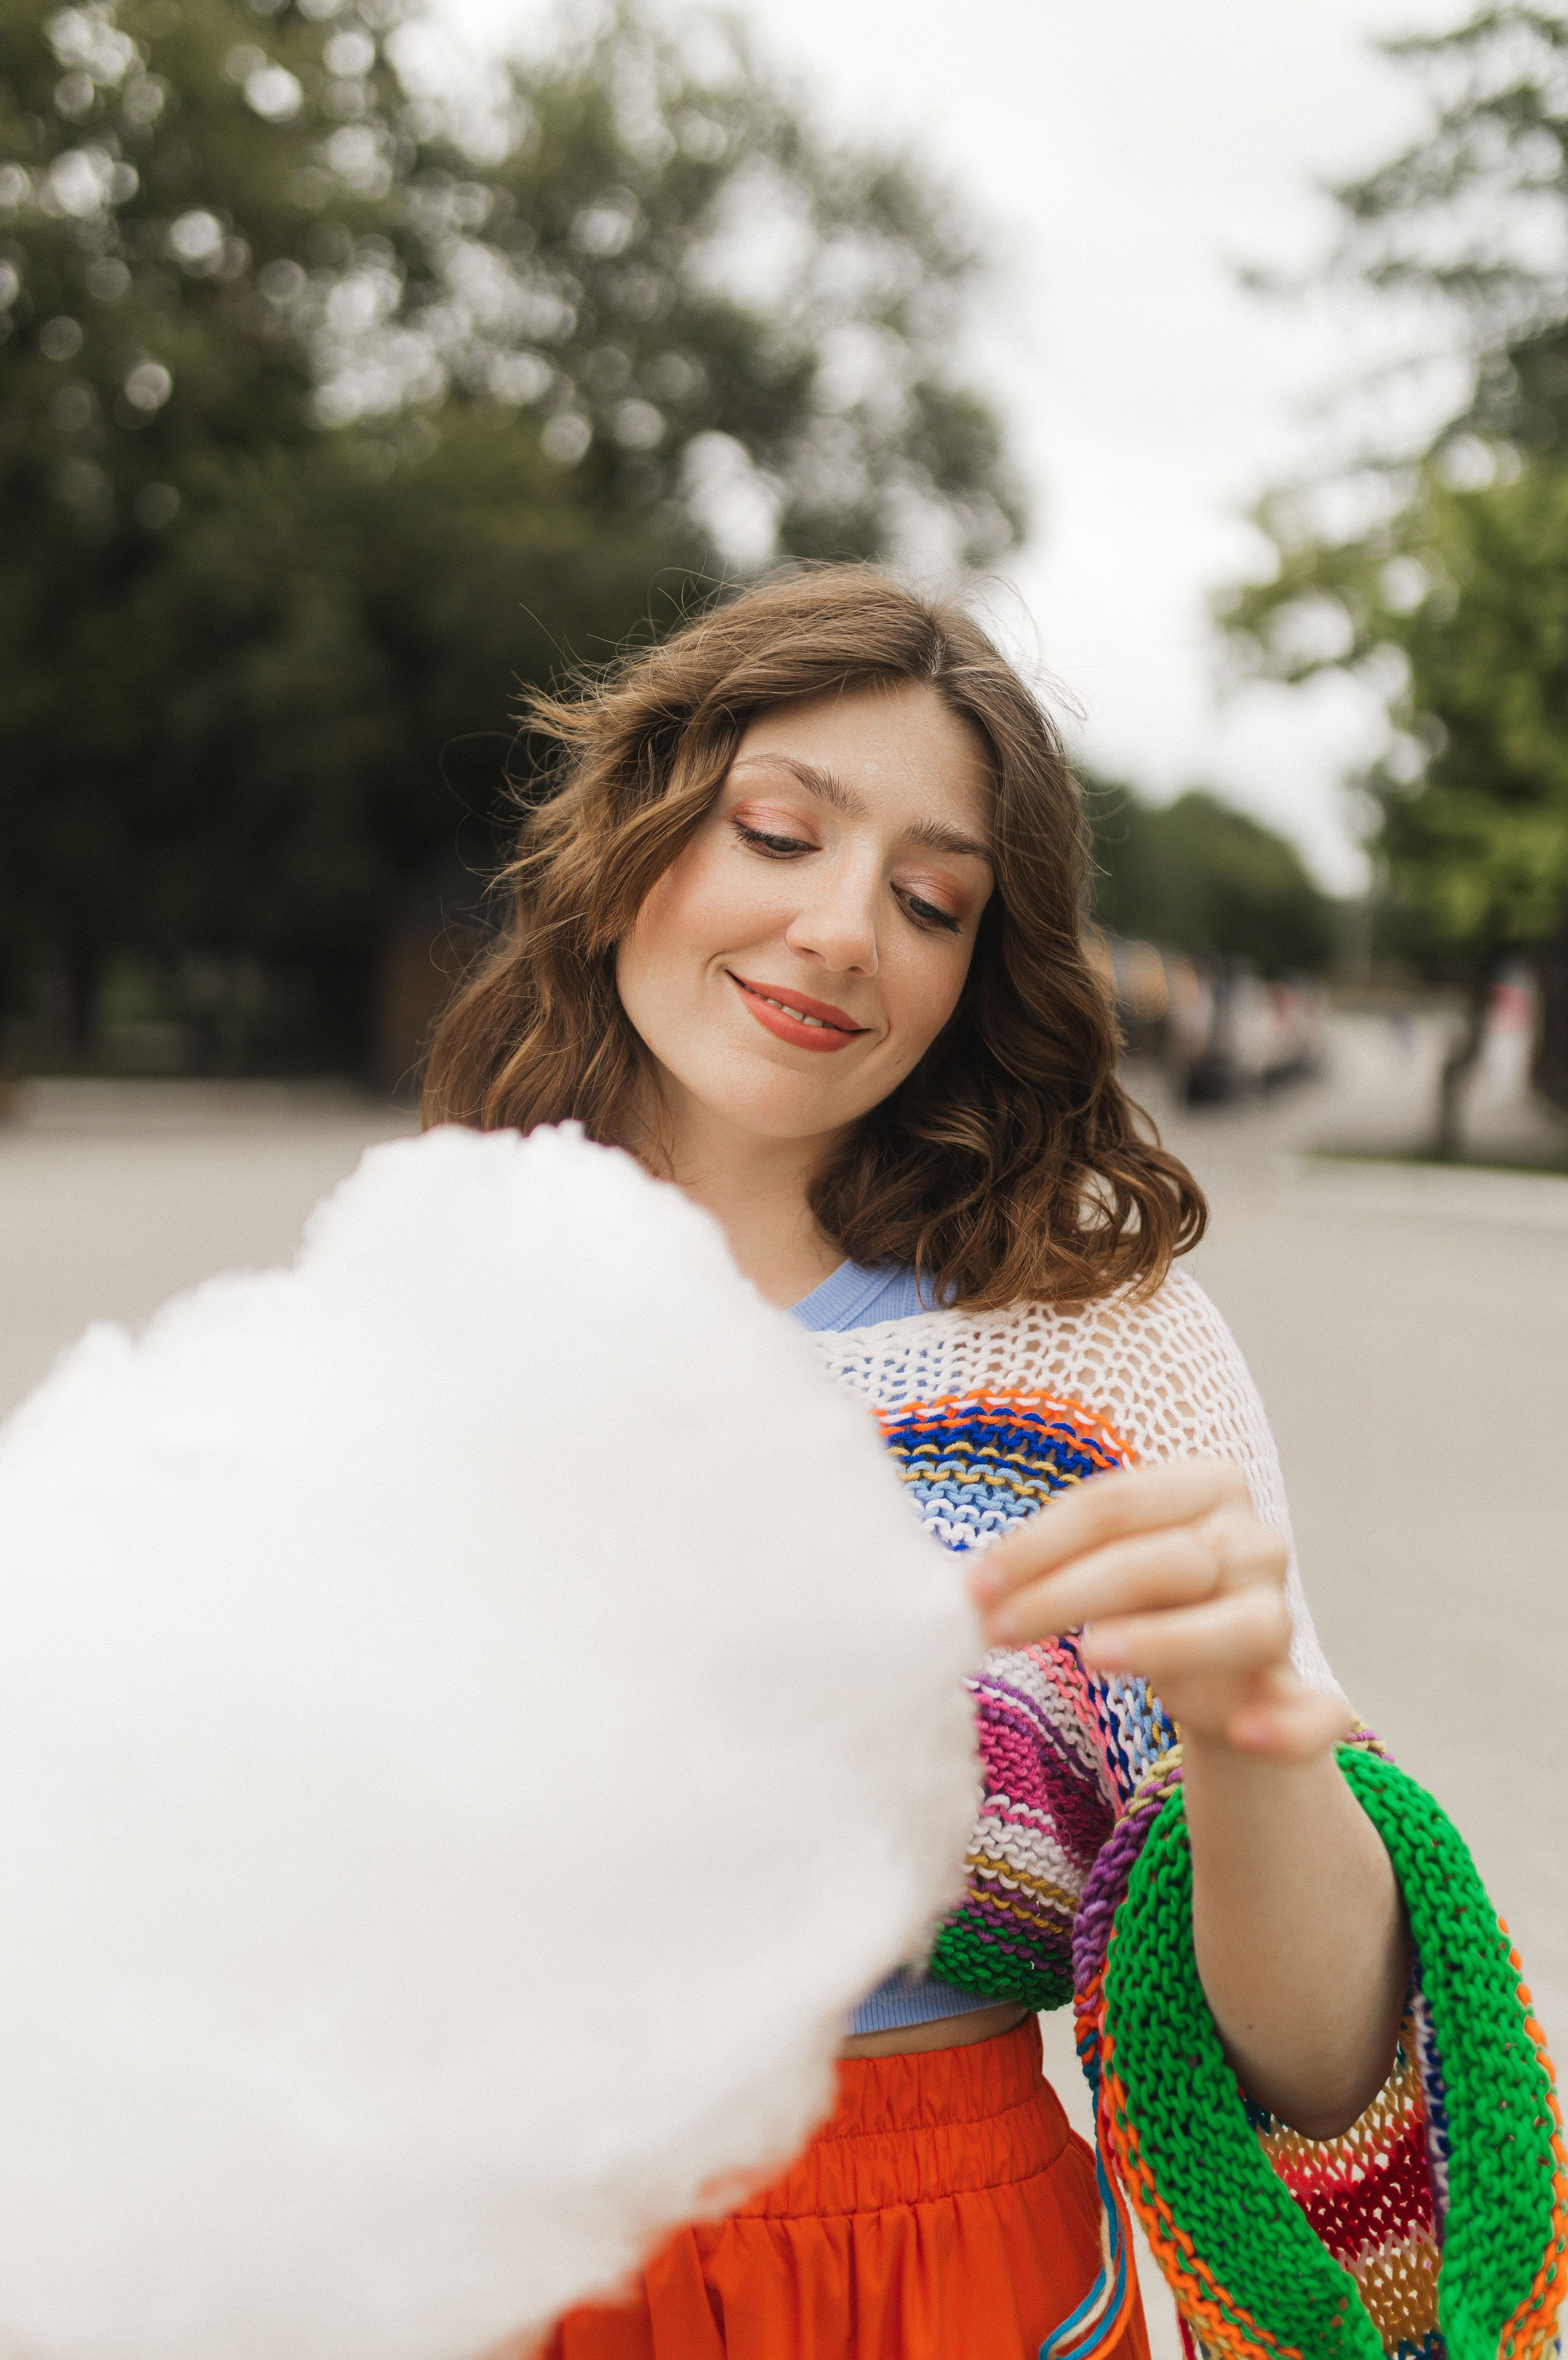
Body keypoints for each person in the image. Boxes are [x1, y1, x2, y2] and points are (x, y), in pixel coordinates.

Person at [424, 569, 1564, 2360]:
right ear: (639, 830)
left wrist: (1249, 1726)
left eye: (930, 899)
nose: (841, 928)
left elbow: (1328, 2073)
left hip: (931, 2277)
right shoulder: (422, 1284)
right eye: (779, 832)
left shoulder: (1084, 1343)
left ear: (979, 964)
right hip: (444, 2255)